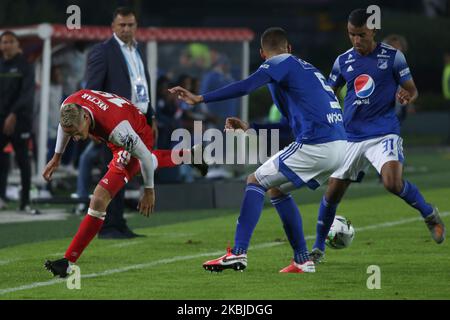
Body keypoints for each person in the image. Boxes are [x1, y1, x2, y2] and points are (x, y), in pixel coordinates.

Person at [169, 27, 347, 273]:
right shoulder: (307, 70)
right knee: (276, 190)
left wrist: (200, 98)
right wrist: (251, 127)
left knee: (254, 180)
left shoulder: (278, 63)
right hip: (339, 144)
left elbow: (245, 86)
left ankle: (238, 253)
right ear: (290, 47)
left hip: (318, 142)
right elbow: (288, 126)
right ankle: (302, 260)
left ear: (262, 54)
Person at [309, 9, 446, 264]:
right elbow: (330, 92)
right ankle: (317, 249)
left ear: (373, 30)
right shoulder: (343, 61)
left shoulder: (393, 57)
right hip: (351, 135)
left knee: (392, 183)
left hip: (383, 130)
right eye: (351, 35)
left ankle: (429, 215)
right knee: (332, 193)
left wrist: (407, 96)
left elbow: (412, 90)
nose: (356, 41)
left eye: (361, 35)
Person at [43, 89, 207, 278]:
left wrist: (149, 191)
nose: (76, 138)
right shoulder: (69, 105)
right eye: (72, 134)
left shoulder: (119, 131)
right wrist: (57, 157)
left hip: (137, 131)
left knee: (99, 198)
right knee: (132, 170)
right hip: (121, 121)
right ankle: (190, 155)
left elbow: (144, 156)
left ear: (86, 118)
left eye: (78, 133)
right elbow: (64, 127)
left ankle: (68, 261)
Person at [84, 7, 158, 239]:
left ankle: (119, 223)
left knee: (125, 172)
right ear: (113, 27)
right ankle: (108, 227)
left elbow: (142, 86)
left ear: (136, 27)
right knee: (113, 172)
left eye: (130, 25)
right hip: (114, 124)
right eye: (122, 25)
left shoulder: (137, 50)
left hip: (137, 120)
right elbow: (92, 90)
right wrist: (97, 124)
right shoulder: (102, 51)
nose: (126, 29)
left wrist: (150, 116)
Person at [0, 31, 38, 214]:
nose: (7, 45)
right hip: (1, 119)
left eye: (10, 42)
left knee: (23, 161)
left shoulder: (26, 66)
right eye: (4, 42)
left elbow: (27, 94)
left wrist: (13, 114)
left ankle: (25, 202)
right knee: (1, 161)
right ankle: (1, 198)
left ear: (17, 45)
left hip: (20, 120)